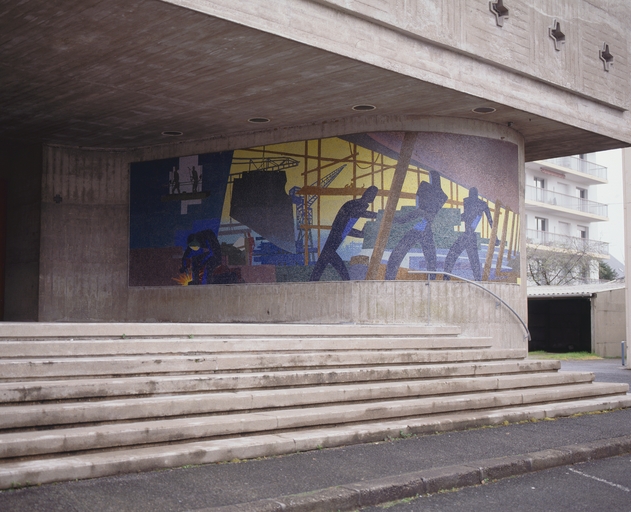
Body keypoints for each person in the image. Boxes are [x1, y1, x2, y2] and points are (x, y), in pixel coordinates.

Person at [385, 170, 447, 280]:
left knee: (400, 254)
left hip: (420, 229)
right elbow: (421, 213)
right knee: (430, 259)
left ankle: (389, 278)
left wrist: (397, 220)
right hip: (422, 229)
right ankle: (431, 280)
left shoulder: (434, 194)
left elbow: (419, 213)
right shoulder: (441, 196)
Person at [309, 186, 378, 281]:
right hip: (337, 233)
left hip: (339, 233)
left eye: (374, 194)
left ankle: (343, 279)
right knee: (329, 256)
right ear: (366, 194)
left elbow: (348, 228)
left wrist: (361, 233)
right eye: (372, 194)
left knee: (327, 257)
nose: (373, 197)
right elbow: (360, 213)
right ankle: (346, 280)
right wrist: (379, 215)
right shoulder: (356, 204)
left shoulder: (359, 205)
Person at [443, 187, 493, 281]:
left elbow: (490, 221)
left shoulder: (478, 203)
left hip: (468, 235)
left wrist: (455, 218)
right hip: (469, 235)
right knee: (470, 260)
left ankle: (446, 278)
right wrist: (454, 219)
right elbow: (468, 216)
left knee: (454, 256)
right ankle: (447, 278)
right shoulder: (476, 203)